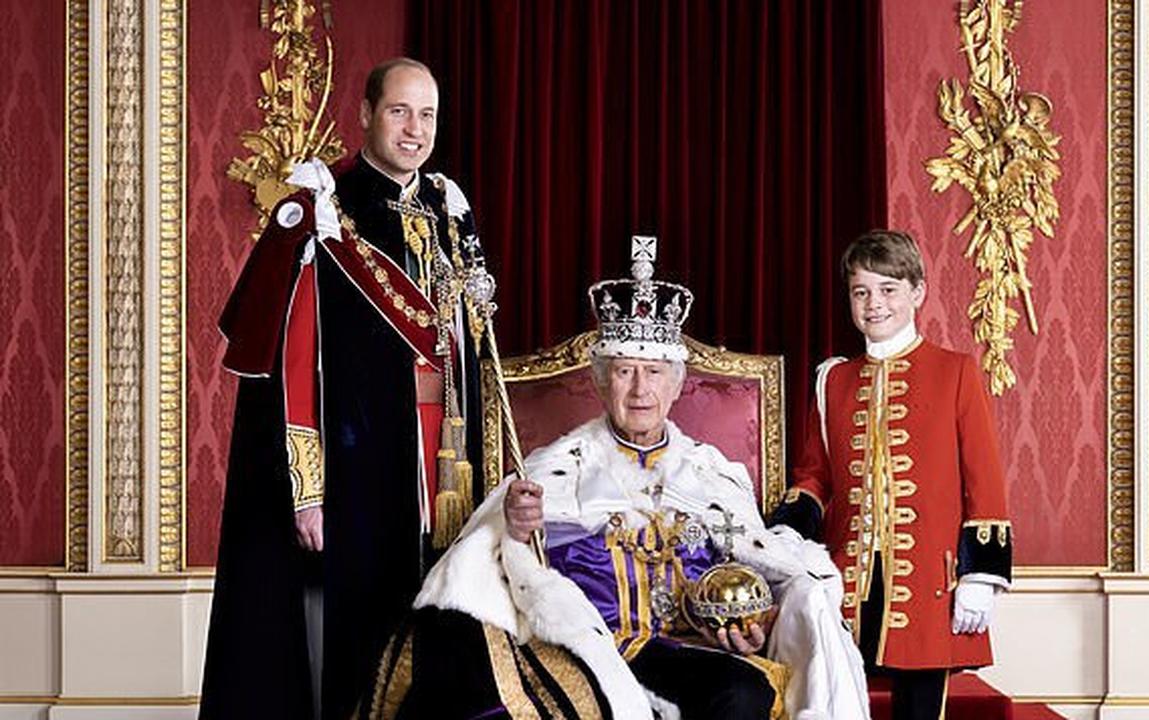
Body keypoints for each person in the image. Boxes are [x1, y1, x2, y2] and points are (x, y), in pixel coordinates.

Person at [356, 239, 870, 720]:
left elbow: (757, 568)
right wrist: (515, 529)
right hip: (591, 647)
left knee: (746, 689)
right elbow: (496, 565)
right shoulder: (558, 467)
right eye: (624, 371)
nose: (640, 389)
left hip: (686, 648)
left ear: (676, 386)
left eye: (654, 372)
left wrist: (754, 623)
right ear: (602, 383)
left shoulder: (712, 473)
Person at [202, 58, 489, 720]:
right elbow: (294, 362)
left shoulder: (449, 210)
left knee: (439, 647)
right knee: (359, 649)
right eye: (399, 111)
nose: (414, 130)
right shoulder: (321, 210)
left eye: (427, 115)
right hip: (356, 467)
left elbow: (468, 356)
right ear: (364, 115)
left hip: (444, 466)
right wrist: (307, 493)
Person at [770, 229, 1014, 720]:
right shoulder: (833, 379)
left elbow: (983, 479)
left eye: (888, 290)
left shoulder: (956, 371)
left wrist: (981, 575)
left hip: (931, 581)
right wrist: (785, 535)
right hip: (849, 579)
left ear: (918, 292)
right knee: (835, 704)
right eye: (861, 292)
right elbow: (815, 475)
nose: (873, 304)